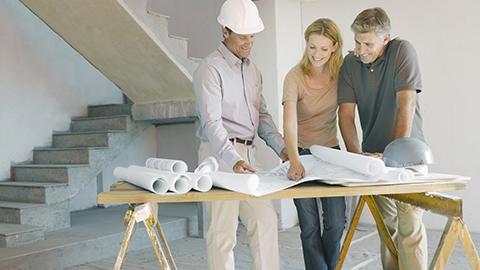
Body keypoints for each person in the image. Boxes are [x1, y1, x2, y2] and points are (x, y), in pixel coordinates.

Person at [193, 0, 288, 269]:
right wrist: (233, 159)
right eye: (242, 36)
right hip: (219, 156)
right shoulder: (210, 69)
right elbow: (212, 122)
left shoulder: (253, 70)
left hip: (249, 156)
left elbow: (263, 116)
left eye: (252, 35)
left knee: (265, 219)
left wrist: (283, 149)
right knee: (223, 232)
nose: (249, 42)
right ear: (225, 31)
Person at [337, 7, 428, 270]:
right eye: (356, 41)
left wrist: (392, 156)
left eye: (368, 43)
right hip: (373, 159)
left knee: (410, 226)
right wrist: (356, 158)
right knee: (388, 230)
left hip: (408, 157)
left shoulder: (402, 51)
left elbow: (406, 104)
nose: (360, 49)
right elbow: (345, 115)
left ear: (385, 39)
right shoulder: (350, 64)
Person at [282, 18, 346, 270]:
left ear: (334, 47)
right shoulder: (294, 77)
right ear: (306, 44)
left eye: (323, 48)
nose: (317, 54)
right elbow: (289, 123)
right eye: (312, 47)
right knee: (309, 227)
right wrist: (294, 160)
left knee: (336, 222)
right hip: (301, 152)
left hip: (331, 152)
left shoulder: (342, 72)